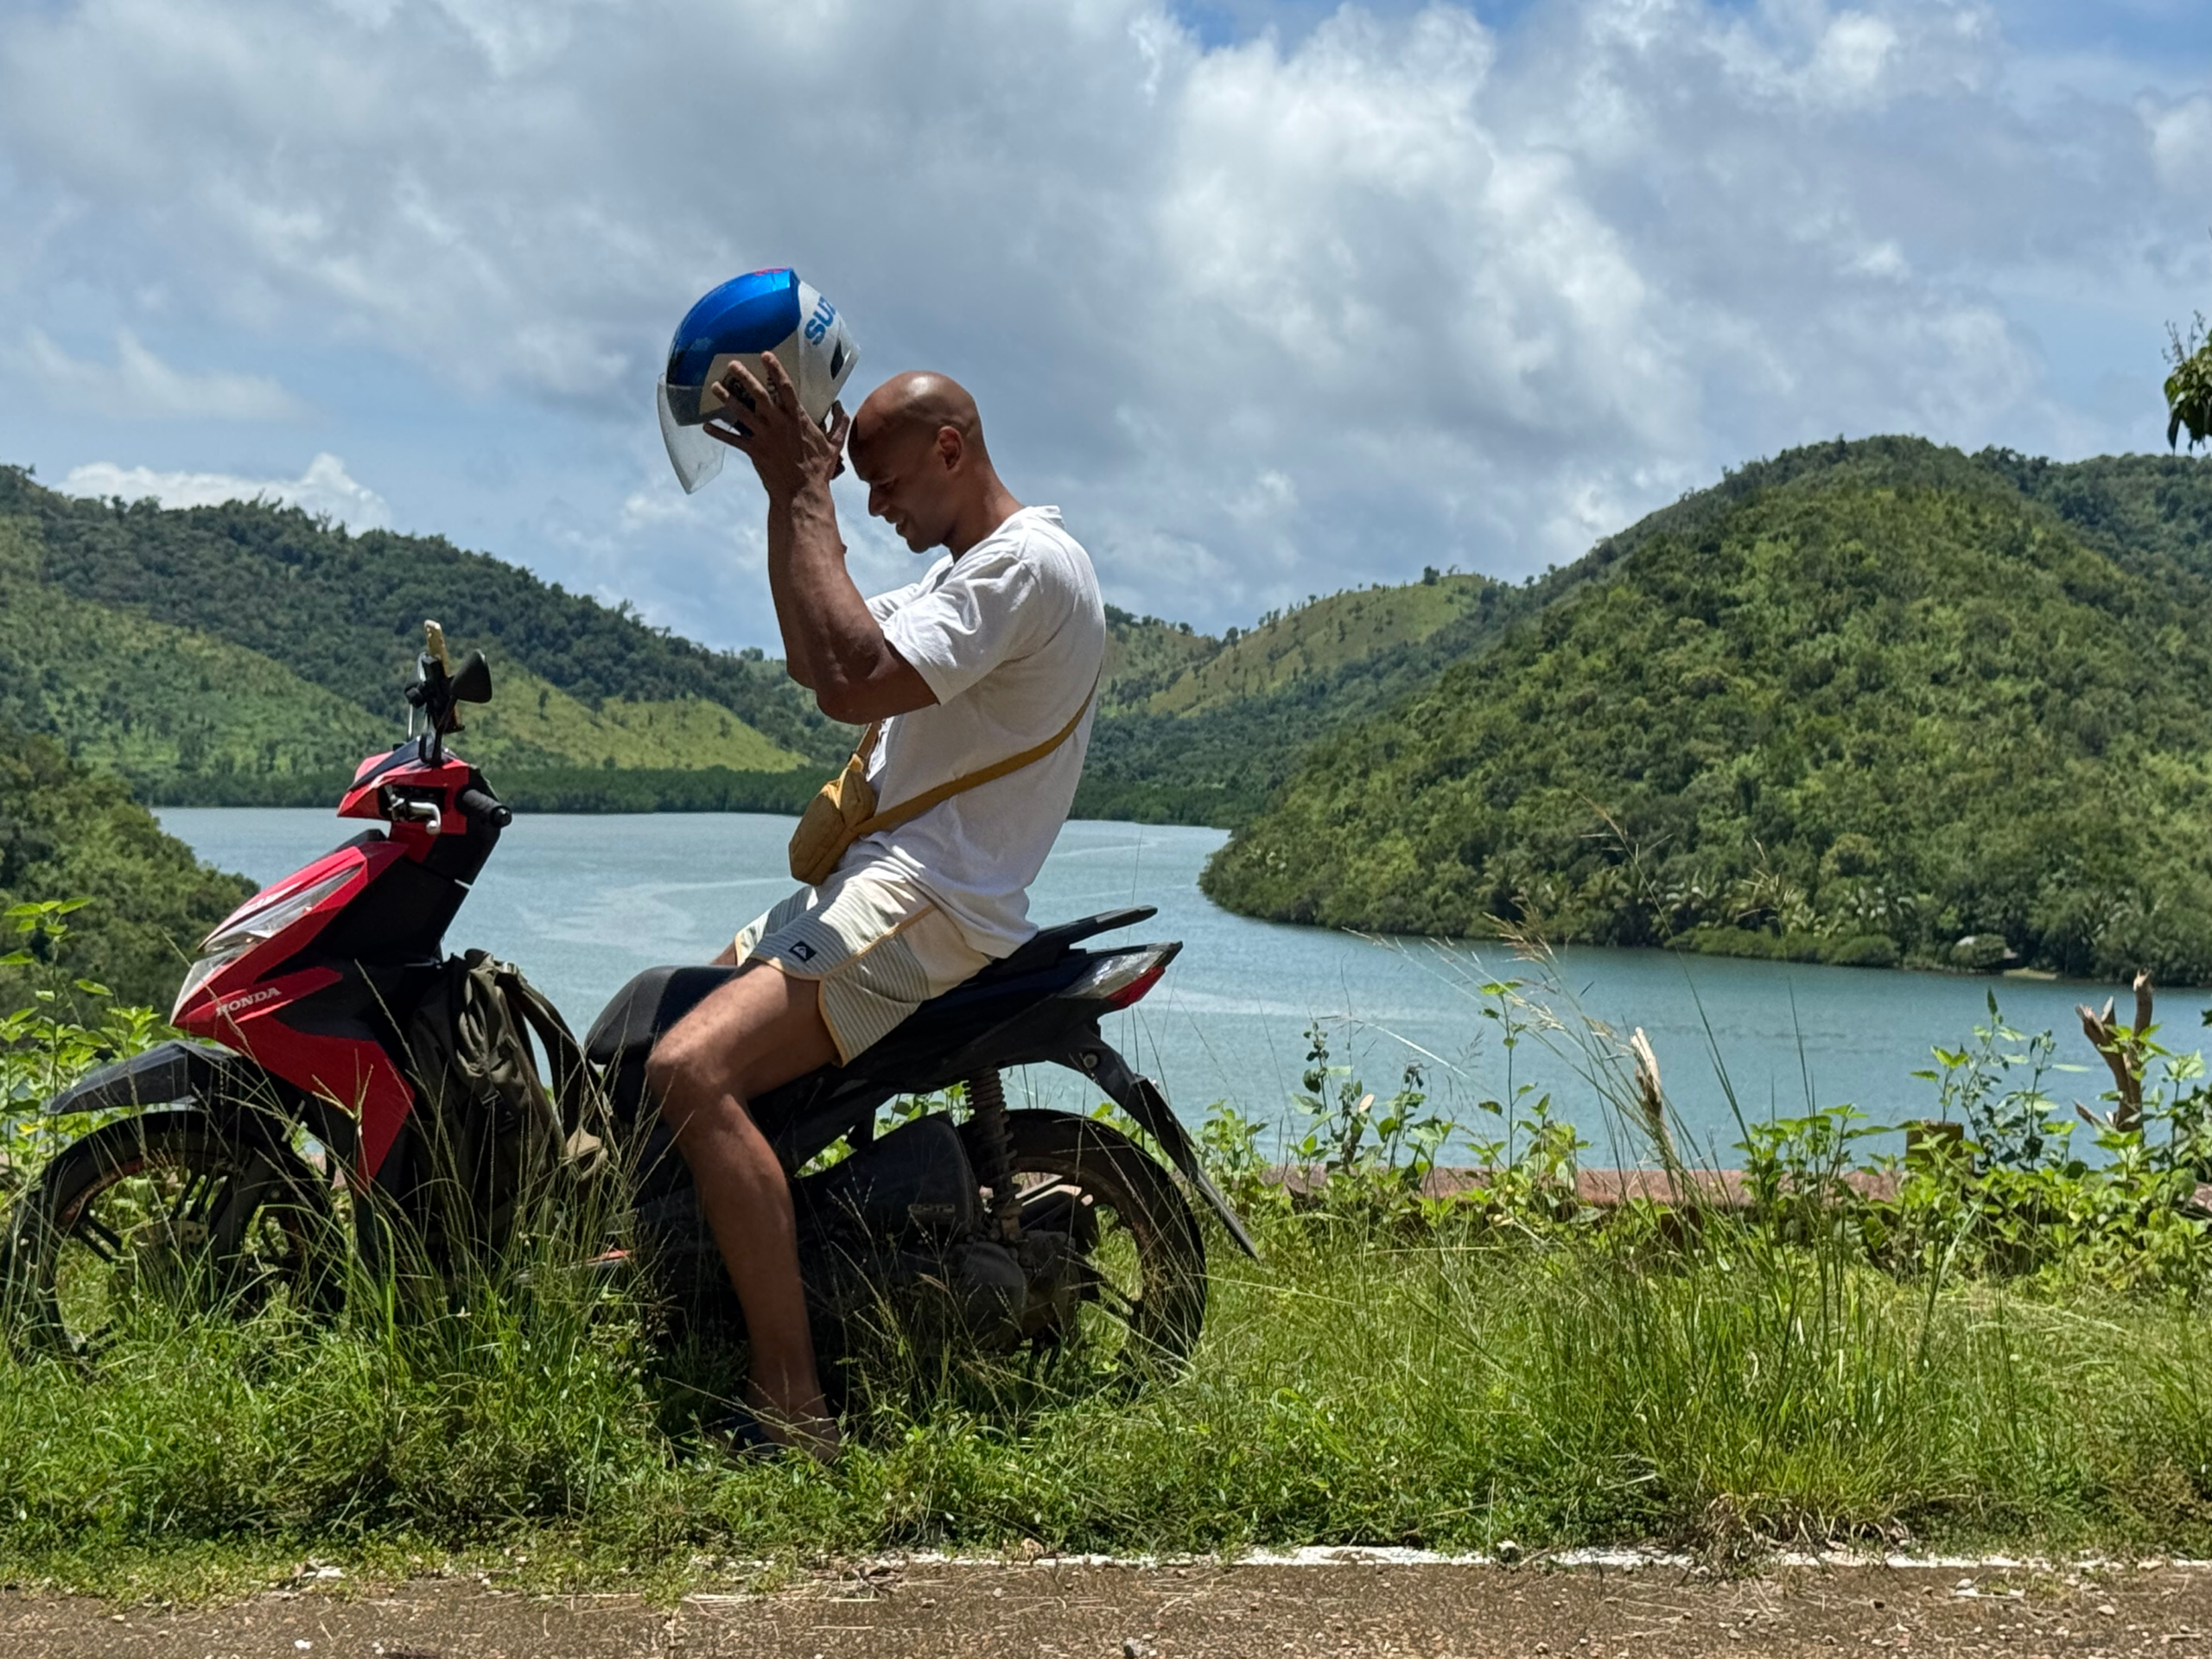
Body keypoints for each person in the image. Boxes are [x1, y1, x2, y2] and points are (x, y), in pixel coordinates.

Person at [642, 354, 1106, 1460]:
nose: (875, 502)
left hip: (926, 903)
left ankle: (794, 1407)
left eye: (885, 481)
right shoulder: (969, 578)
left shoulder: (1022, 570)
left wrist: (804, 491)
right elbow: (821, 654)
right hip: (881, 889)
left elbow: (851, 674)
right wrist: (782, 495)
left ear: (950, 449)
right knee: (667, 1018)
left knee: (689, 1071)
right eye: (856, 486)